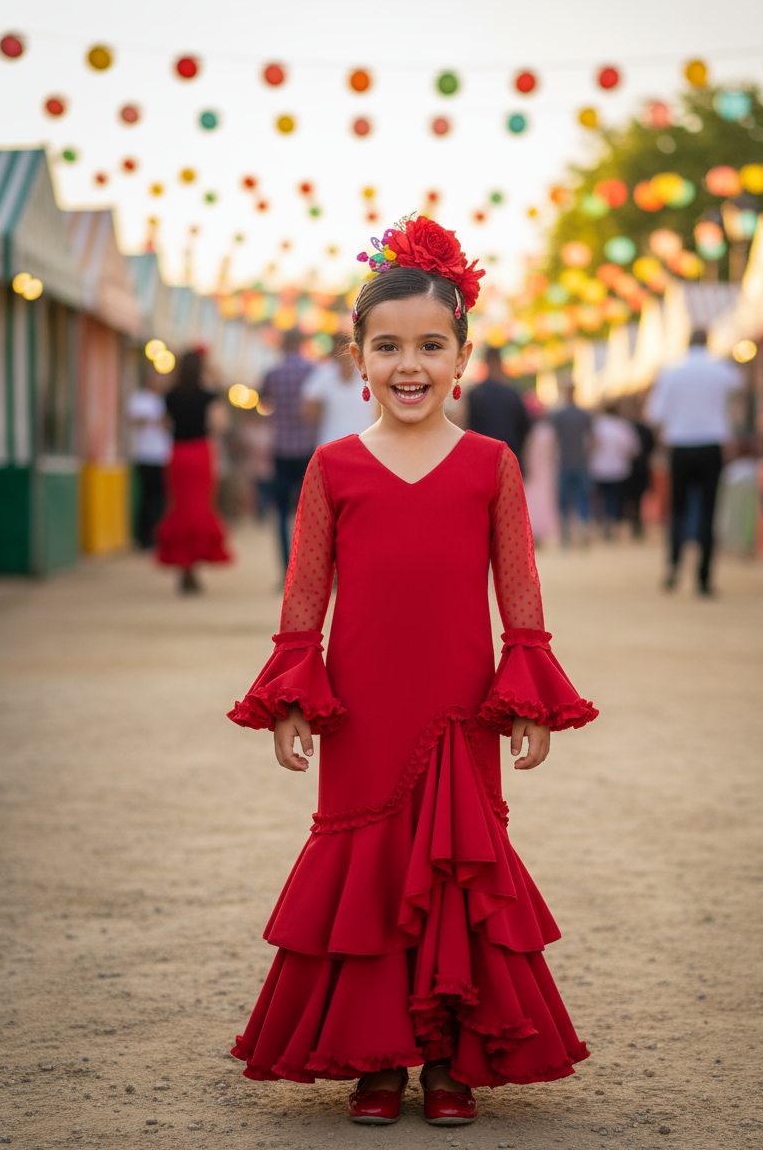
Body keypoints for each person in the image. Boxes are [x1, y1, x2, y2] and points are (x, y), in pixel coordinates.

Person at [227, 217, 597, 1128]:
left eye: (431, 346)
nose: (410, 365)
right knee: (369, 870)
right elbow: (304, 596)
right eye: (387, 346)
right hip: (360, 706)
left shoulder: (490, 465)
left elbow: (520, 594)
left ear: (463, 355)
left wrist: (530, 701)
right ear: (359, 357)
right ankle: (375, 1059)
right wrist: (289, 701)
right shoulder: (333, 467)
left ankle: (447, 1061)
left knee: (455, 874)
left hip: (459, 703)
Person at [647, 327, 744, 595]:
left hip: (681, 445)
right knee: (708, 512)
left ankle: (674, 566)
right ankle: (704, 578)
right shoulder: (724, 371)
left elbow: (655, 415)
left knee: (677, 510)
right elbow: (738, 401)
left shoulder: (670, 372)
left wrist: (664, 442)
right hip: (712, 445)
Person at [156, 350, 231, 593]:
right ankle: (193, 567)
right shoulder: (208, 395)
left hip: (178, 454)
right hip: (200, 453)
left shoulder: (170, 395)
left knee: (180, 507)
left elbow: (165, 425)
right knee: (199, 507)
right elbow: (220, 424)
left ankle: (184, 567)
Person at [259, 328, 317, 571]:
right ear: (301, 344)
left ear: (282, 345)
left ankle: (286, 568)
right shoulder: (312, 371)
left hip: (281, 448)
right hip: (307, 449)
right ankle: (309, 565)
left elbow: (262, 401)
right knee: (311, 513)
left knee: (281, 512)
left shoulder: (272, 373)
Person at [300, 335, 375, 445]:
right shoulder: (322, 375)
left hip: (365, 446)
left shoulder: (370, 376)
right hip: (332, 445)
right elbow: (308, 413)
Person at [465, 345, 531, 469]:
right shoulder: (512, 394)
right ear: (501, 362)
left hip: (481, 459)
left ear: (486, 362)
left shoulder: (475, 394)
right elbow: (525, 427)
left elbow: (466, 427)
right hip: (508, 458)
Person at [127, 366, 171, 549]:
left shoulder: (165, 401)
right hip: (144, 455)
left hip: (163, 456)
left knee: (161, 498)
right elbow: (133, 420)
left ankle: (157, 535)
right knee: (146, 496)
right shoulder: (139, 399)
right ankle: (143, 536)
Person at [588, 403, 639, 540]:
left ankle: (603, 523)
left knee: (600, 498)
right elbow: (632, 448)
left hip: (598, 468)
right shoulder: (622, 426)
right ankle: (611, 523)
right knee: (614, 498)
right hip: (617, 469)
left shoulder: (597, 425)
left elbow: (589, 445)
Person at [550, 385, 592, 546]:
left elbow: (553, 441)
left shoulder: (558, 416)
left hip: (564, 462)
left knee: (563, 500)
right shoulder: (584, 415)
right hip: (581, 462)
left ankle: (565, 536)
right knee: (583, 498)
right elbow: (592, 441)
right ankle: (583, 531)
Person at [621, 398, 656, 540]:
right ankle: (634, 524)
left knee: (637, 497)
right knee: (631, 498)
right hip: (631, 467)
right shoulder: (625, 428)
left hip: (638, 468)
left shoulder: (634, 428)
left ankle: (637, 523)